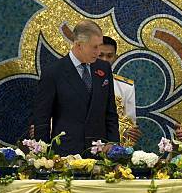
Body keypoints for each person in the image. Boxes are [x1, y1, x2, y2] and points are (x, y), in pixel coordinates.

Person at [33, 20, 119, 155]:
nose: (98, 52)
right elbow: (42, 118)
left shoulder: (104, 68)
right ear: (79, 45)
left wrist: (113, 143)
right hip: (66, 153)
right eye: (94, 47)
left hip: (99, 152)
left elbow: (110, 111)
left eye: (99, 46)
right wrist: (43, 154)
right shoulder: (53, 72)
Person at [97, 36, 142, 144]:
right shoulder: (81, 83)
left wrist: (129, 133)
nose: (104, 60)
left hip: (115, 148)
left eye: (109, 56)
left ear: (115, 57)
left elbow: (130, 125)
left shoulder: (126, 87)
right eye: (100, 55)